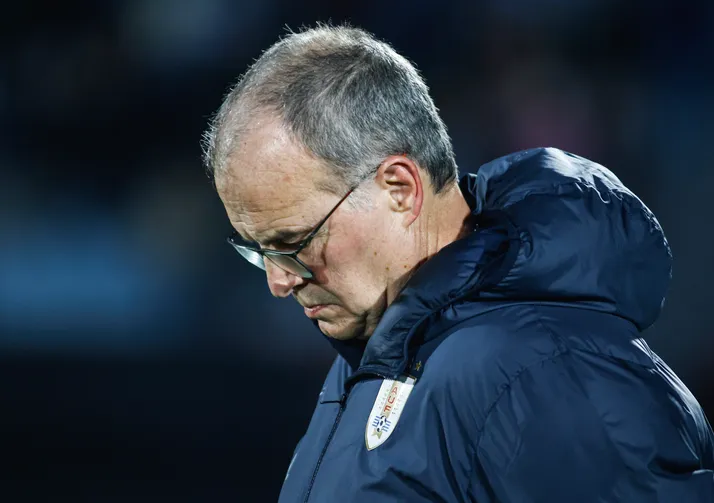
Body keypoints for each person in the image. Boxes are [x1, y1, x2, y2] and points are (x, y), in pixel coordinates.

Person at [201, 25, 714, 502]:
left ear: (400, 189)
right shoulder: (379, 356)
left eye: (294, 242)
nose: (279, 281)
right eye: (259, 250)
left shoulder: (539, 371)